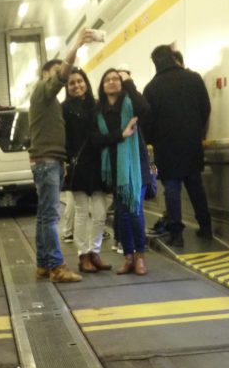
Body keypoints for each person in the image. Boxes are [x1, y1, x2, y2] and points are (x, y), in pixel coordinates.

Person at [28, 28, 98, 284]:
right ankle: (57, 266)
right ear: (48, 75)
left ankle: (43, 264)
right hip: (47, 163)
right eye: (59, 74)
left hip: (49, 162)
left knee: (44, 215)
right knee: (50, 216)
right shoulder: (42, 92)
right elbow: (62, 72)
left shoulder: (48, 102)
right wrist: (77, 44)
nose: (66, 79)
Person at [142, 43, 212, 248]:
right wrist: (196, 132)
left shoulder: (151, 88)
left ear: (155, 62)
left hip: (166, 148)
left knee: (172, 190)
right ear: (173, 58)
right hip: (191, 144)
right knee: (195, 187)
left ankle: (176, 234)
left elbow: (147, 122)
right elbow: (205, 108)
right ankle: (206, 228)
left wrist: (155, 139)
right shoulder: (194, 78)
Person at [96, 68, 149, 274]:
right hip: (114, 166)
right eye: (107, 79)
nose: (112, 82)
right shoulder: (99, 111)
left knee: (135, 211)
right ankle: (128, 256)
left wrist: (129, 82)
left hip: (136, 166)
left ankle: (140, 257)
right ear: (102, 86)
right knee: (122, 214)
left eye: (116, 79)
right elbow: (96, 139)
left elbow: (145, 109)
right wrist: (120, 134)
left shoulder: (131, 103)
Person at [61, 67, 111, 274]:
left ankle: (95, 252)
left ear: (86, 83)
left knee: (100, 213)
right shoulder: (63, 109)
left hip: (98, 164)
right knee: (82, 212)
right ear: (67, 87)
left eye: (80, 81)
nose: (77, 86)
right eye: (72, 83)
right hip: (78, 165)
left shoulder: (98, 105)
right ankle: (83, 255)